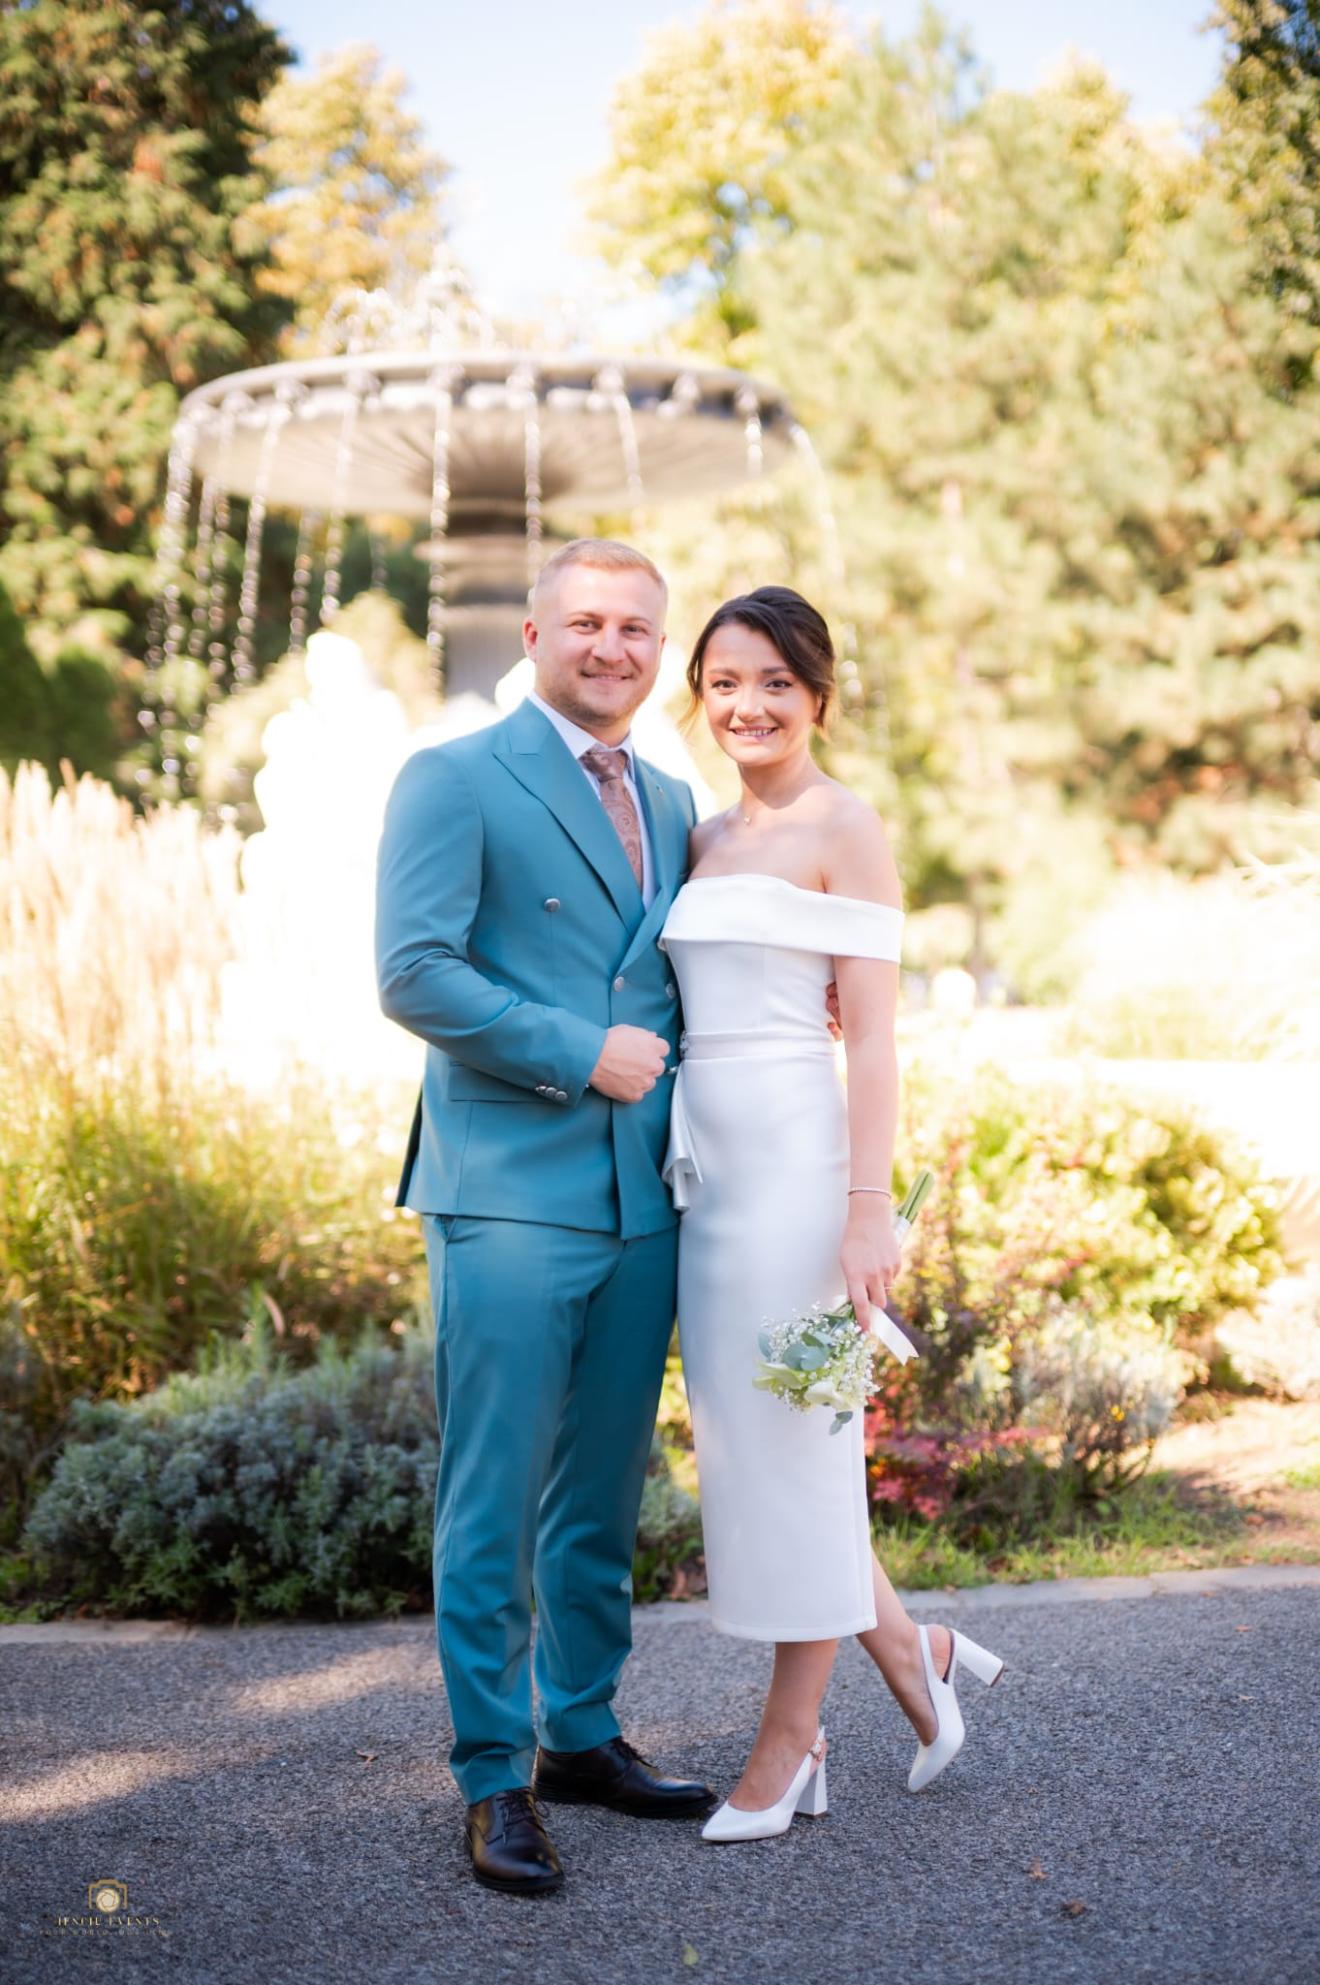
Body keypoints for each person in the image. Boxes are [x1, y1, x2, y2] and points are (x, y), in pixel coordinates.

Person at [375, 538, 716, 1897]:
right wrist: (581, 1050)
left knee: (599, 1495)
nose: (612, 646)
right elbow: (413, 971)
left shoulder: (683, 798)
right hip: (510, 1193)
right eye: (586, 622)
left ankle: (582, 1733)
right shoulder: (454, 776)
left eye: (637, 628)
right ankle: (490, 1773)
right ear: (532, 633)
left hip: (646, 1200)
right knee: (495, 1495)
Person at [659, 586, 1005, 1844]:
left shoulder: (843, 826)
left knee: (801, 1451)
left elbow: (873, 1046)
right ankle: (919, 1655)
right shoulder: (699, 836)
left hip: (806, 1176)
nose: (746, 705)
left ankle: (792, 1741)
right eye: (724, 682)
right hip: (711, 1182)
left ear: (818, 695)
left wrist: (870, 1207)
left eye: (776, 685)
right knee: (757, 1452)